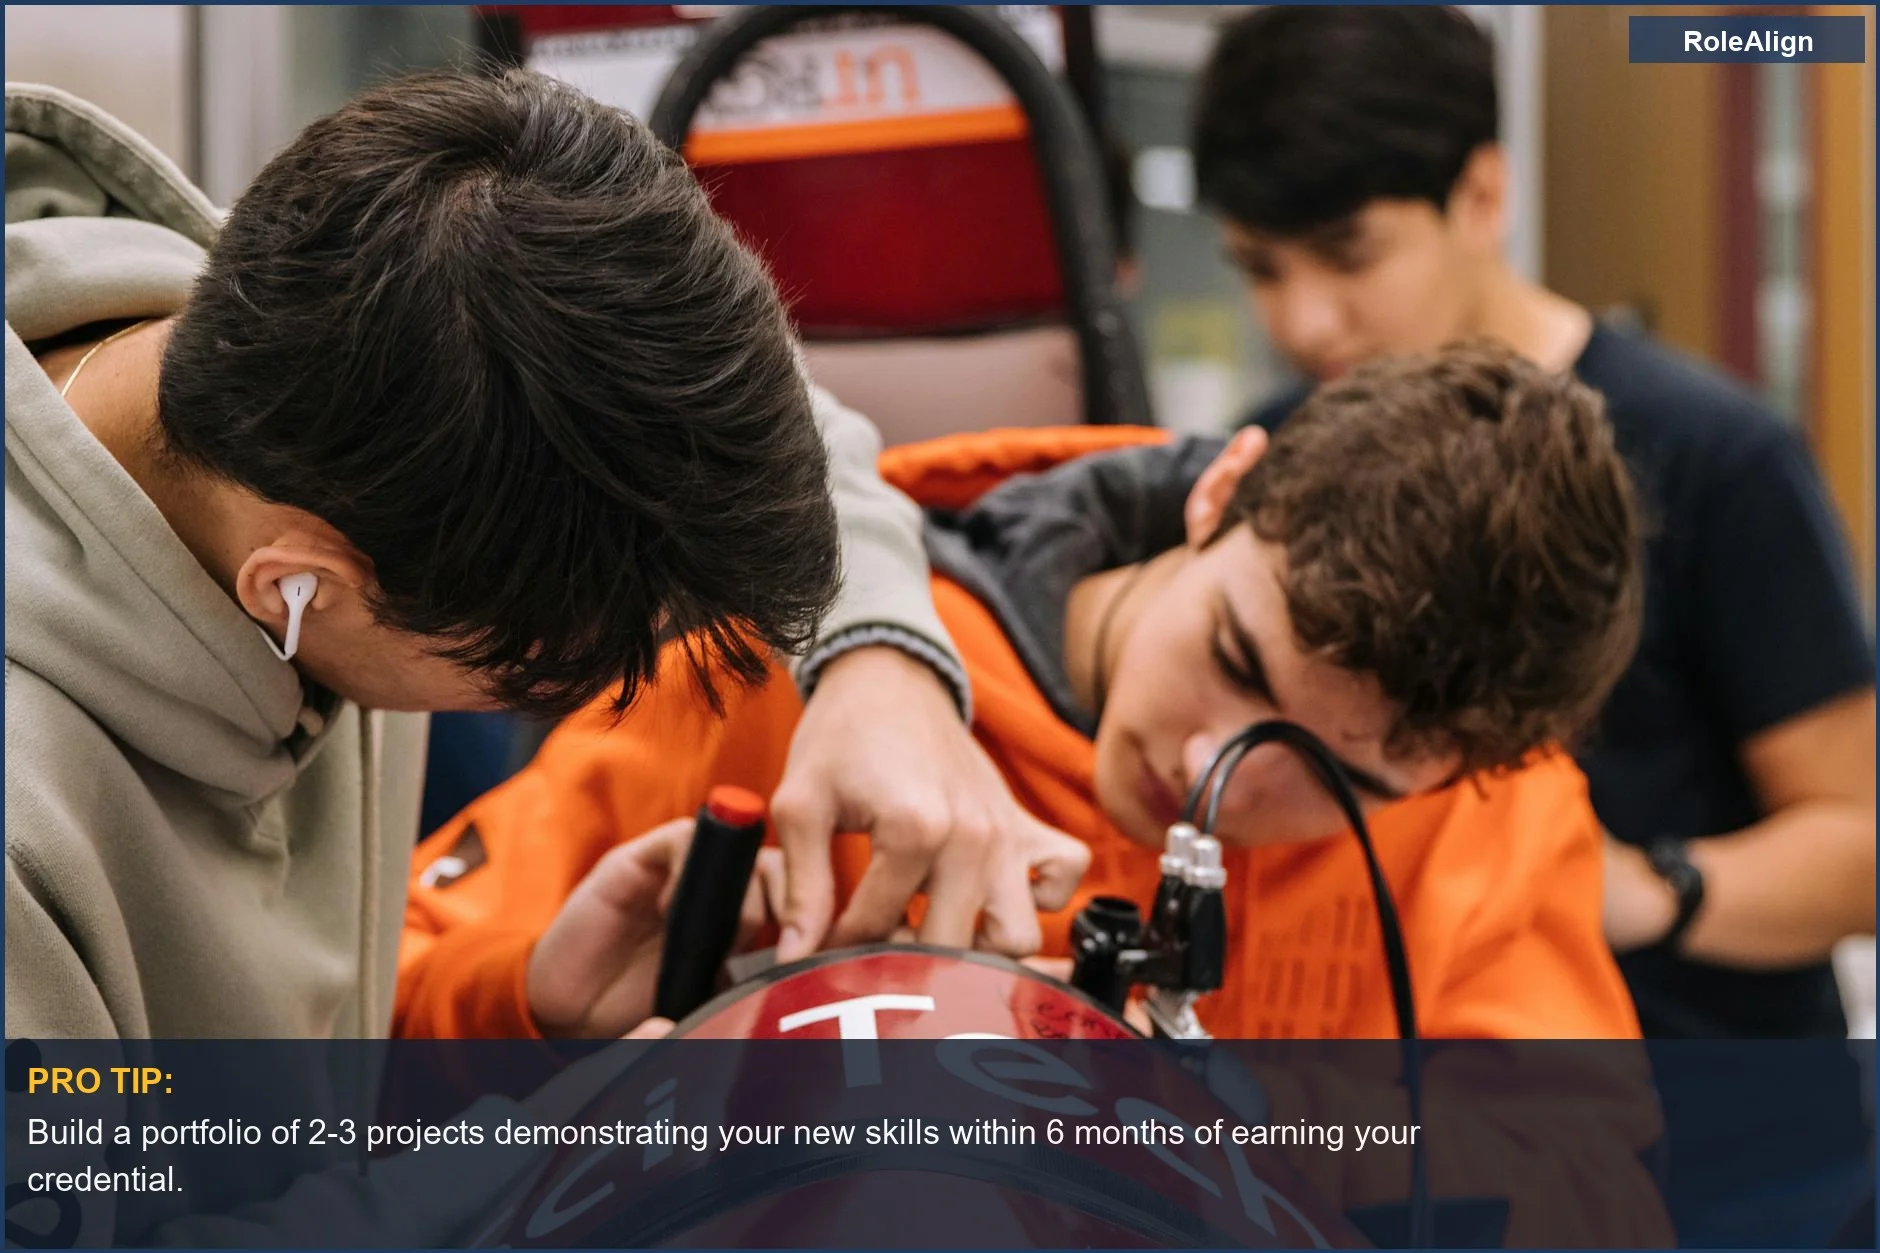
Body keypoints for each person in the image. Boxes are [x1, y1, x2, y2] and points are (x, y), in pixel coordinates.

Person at [400, 342, 1671, 1243]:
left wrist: (1201, 1100)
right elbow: (340, 1041)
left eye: (1342, 780)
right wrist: (529, 1010)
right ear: (1218, 493)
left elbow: (1590, 1187)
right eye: (1233, 658)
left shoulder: (1497, 823)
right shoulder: (795, 680)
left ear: (1458, 773)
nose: (1213, 775)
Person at [3, 69, 1083, 1041]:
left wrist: (881, 662)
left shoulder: (357, 310)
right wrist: (547, 1161)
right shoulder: (26, 837)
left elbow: (801, 429)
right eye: (536, 676)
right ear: (300, 585)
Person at [1186, 7, 1875, 1241]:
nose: (1305, 320)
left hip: (1735, 1163)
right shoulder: (1273, 458)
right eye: (1259, 267)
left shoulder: (1715, 458)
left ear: (1481, 192)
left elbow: (1858, 840)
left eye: (1346, 254)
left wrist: (1636, 887)